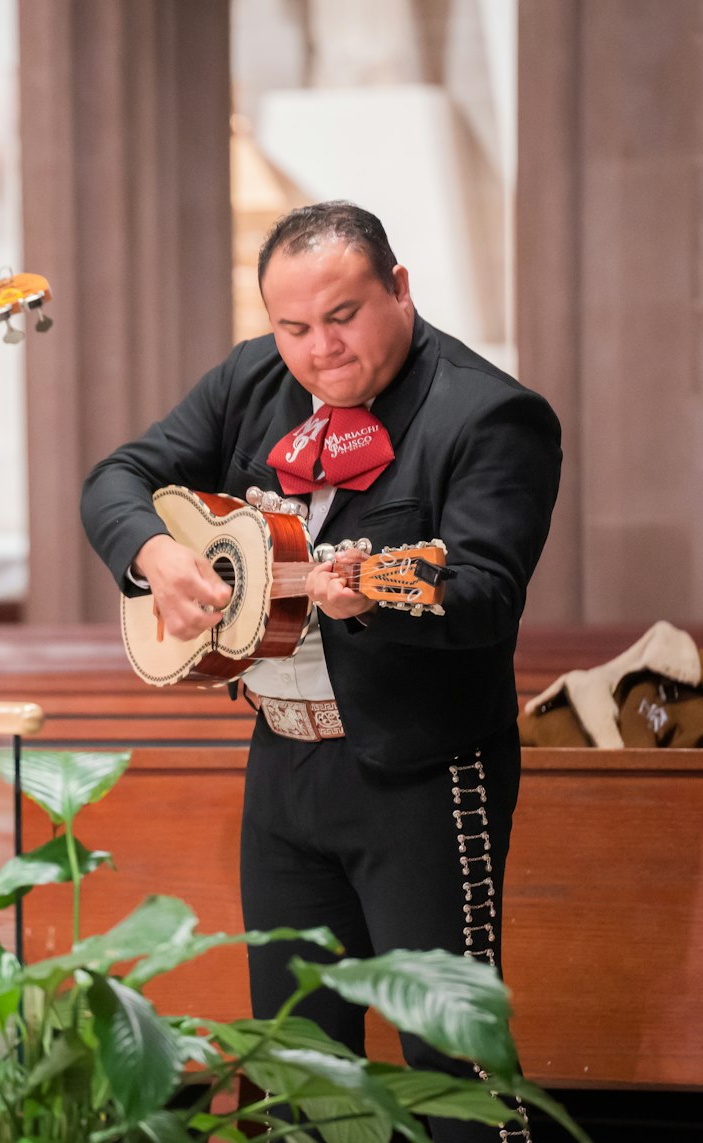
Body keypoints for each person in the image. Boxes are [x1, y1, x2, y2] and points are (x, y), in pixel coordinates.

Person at [80, 201, 559, 1142]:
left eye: (342, 315)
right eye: (292, 326)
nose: (317, 349)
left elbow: (489, 593)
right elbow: (117, 477)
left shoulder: (490, 412)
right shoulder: (255, 379)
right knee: (294, 1060)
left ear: (400, 289)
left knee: (449, 1064)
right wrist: (153, 554)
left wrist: (372, 598)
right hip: (283, 769)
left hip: (420, 772)